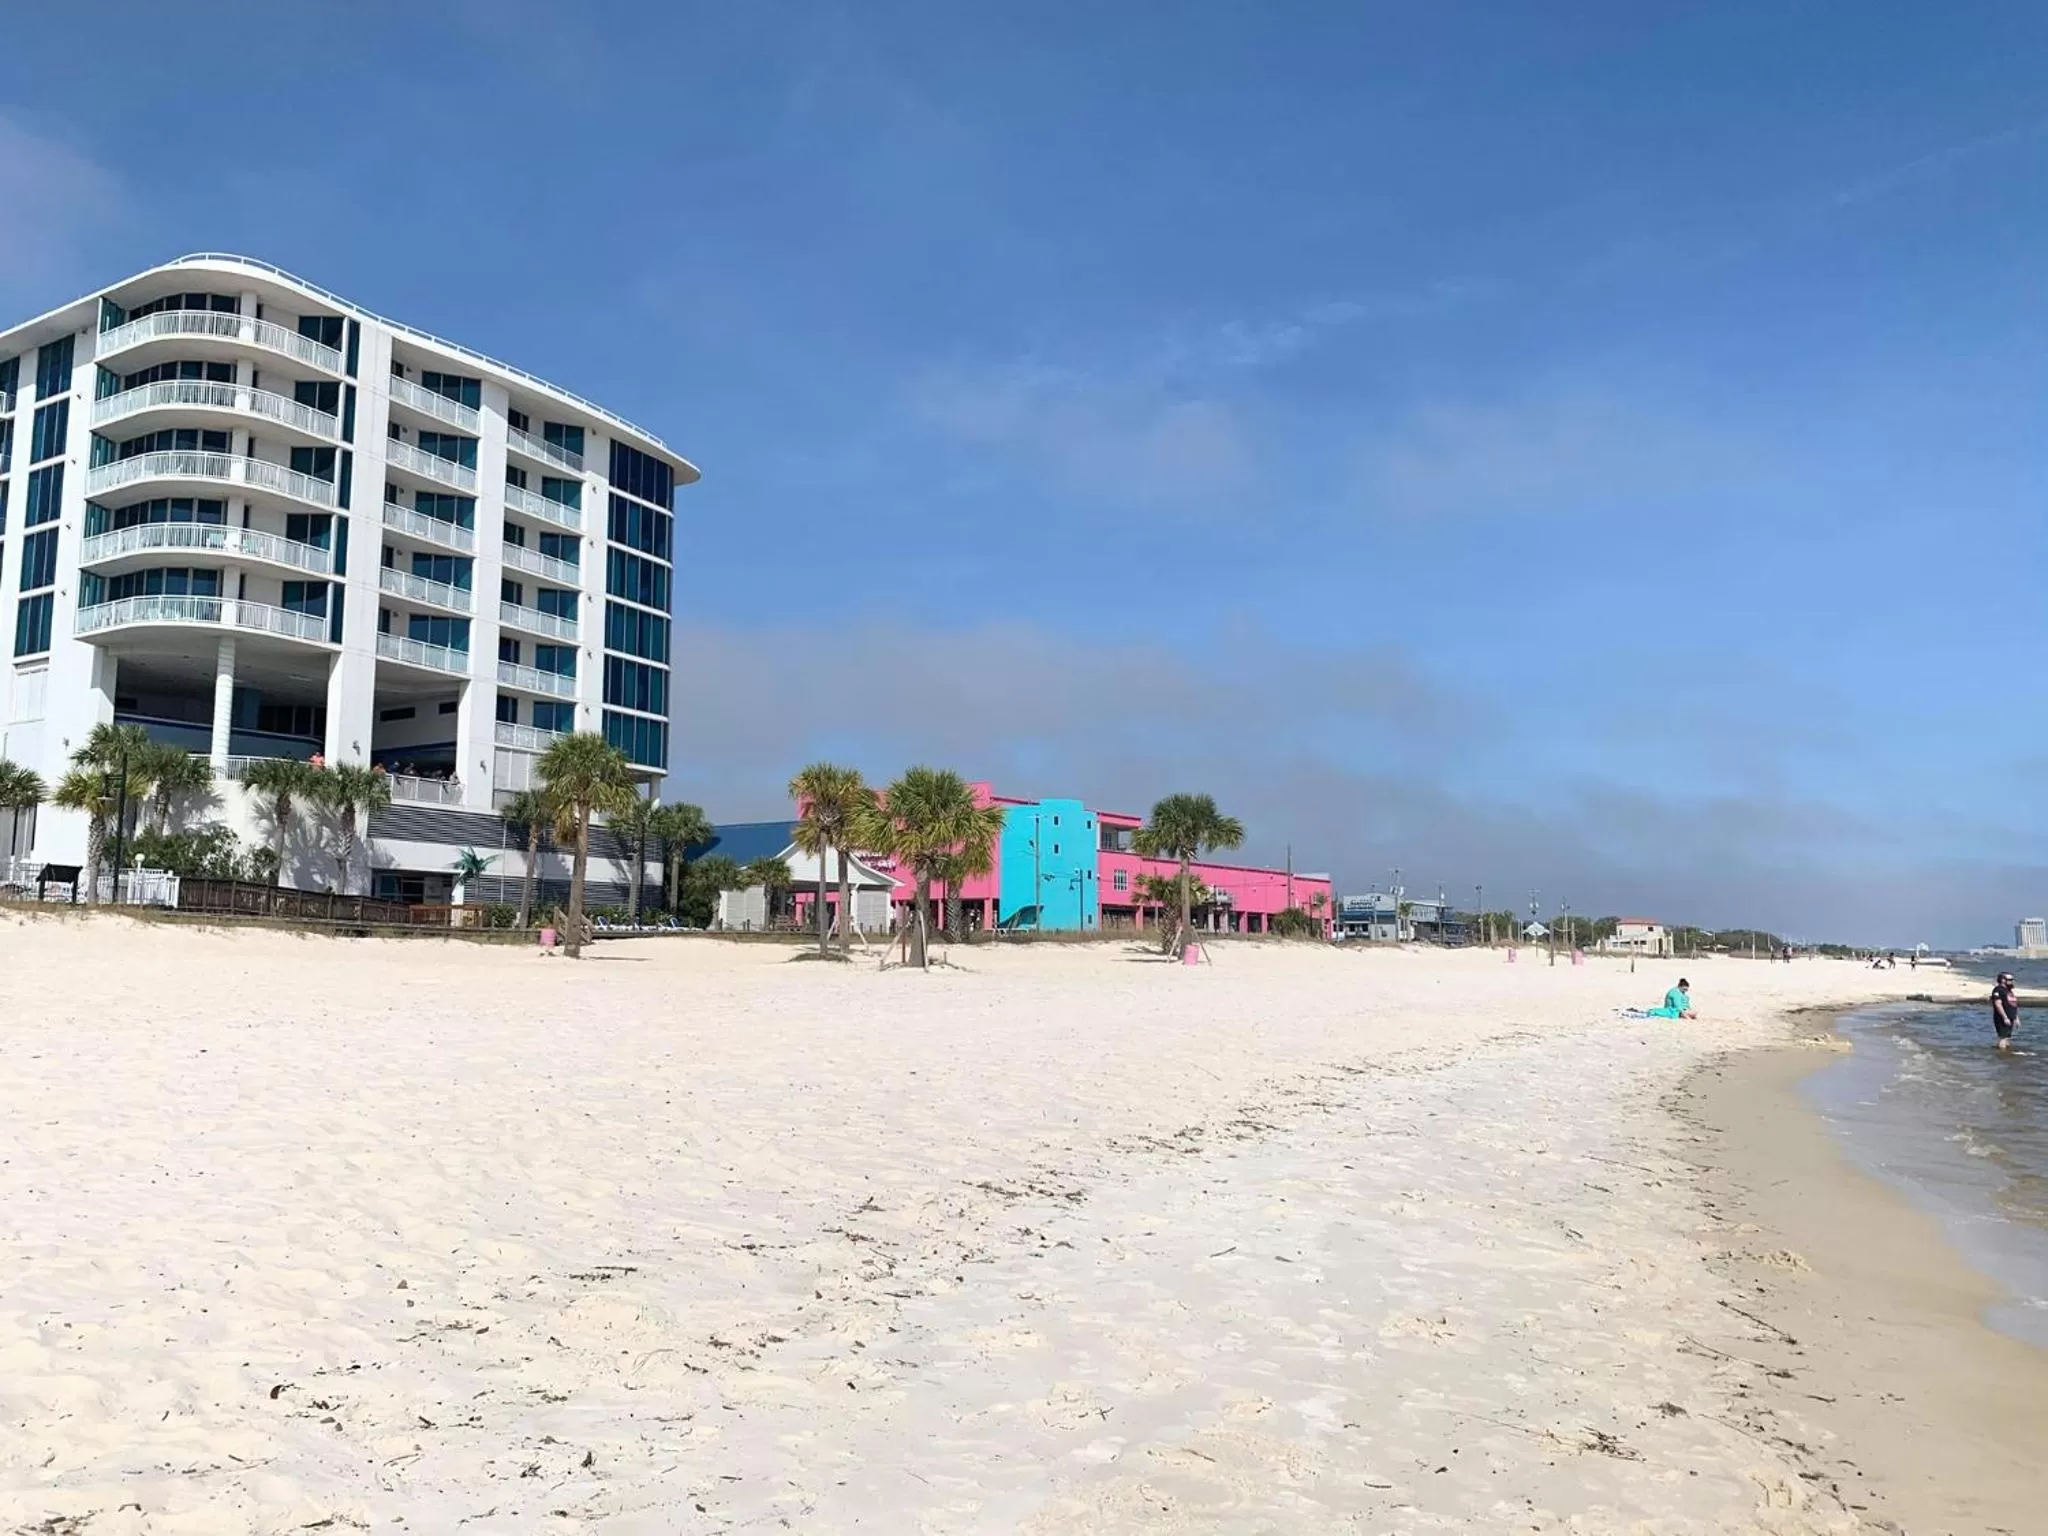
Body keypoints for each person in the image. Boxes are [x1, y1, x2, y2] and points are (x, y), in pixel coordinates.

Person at [1992, 973, 2021, 1052]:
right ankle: (2001, 1056)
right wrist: (2005, 1017)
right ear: (2003, 980)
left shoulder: (2009, 991)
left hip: (2011, 1017)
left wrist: (2016, 1018)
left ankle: (2007, 1055)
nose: (2012, 981)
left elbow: (2013, 1005)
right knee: (2003, 1038)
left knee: (2008, 1037)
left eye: (2012, 980)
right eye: (2010, 980)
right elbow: (1998, 1004)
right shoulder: (1998, 990)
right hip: (2002, 1018)